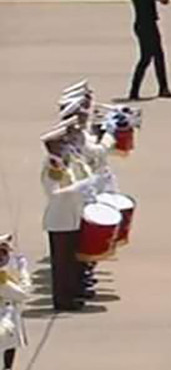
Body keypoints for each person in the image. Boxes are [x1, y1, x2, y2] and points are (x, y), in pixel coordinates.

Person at [40, 125, 105, 311]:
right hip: (60, 220)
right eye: (61, 144)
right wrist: (79, 187)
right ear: (52, 146)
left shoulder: (68, 161)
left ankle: (72, 293)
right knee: (63, 265)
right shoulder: (52, 166)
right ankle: (63, 300)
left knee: (73, 261)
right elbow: (53, 193)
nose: (65, 146)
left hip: (74, 216)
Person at [128, 0, 171, 100]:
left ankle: (137, 90)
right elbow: (164, 0)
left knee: (150, 57)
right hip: (149, 25)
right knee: (151, 57)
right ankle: (161, 88)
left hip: (140, 24)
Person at [0, 235, 30, 370]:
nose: (4, 257)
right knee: (7, 348)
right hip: (4, 317)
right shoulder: (1, 279)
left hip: (7, 313)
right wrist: (23, 270)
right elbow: (23, 294)